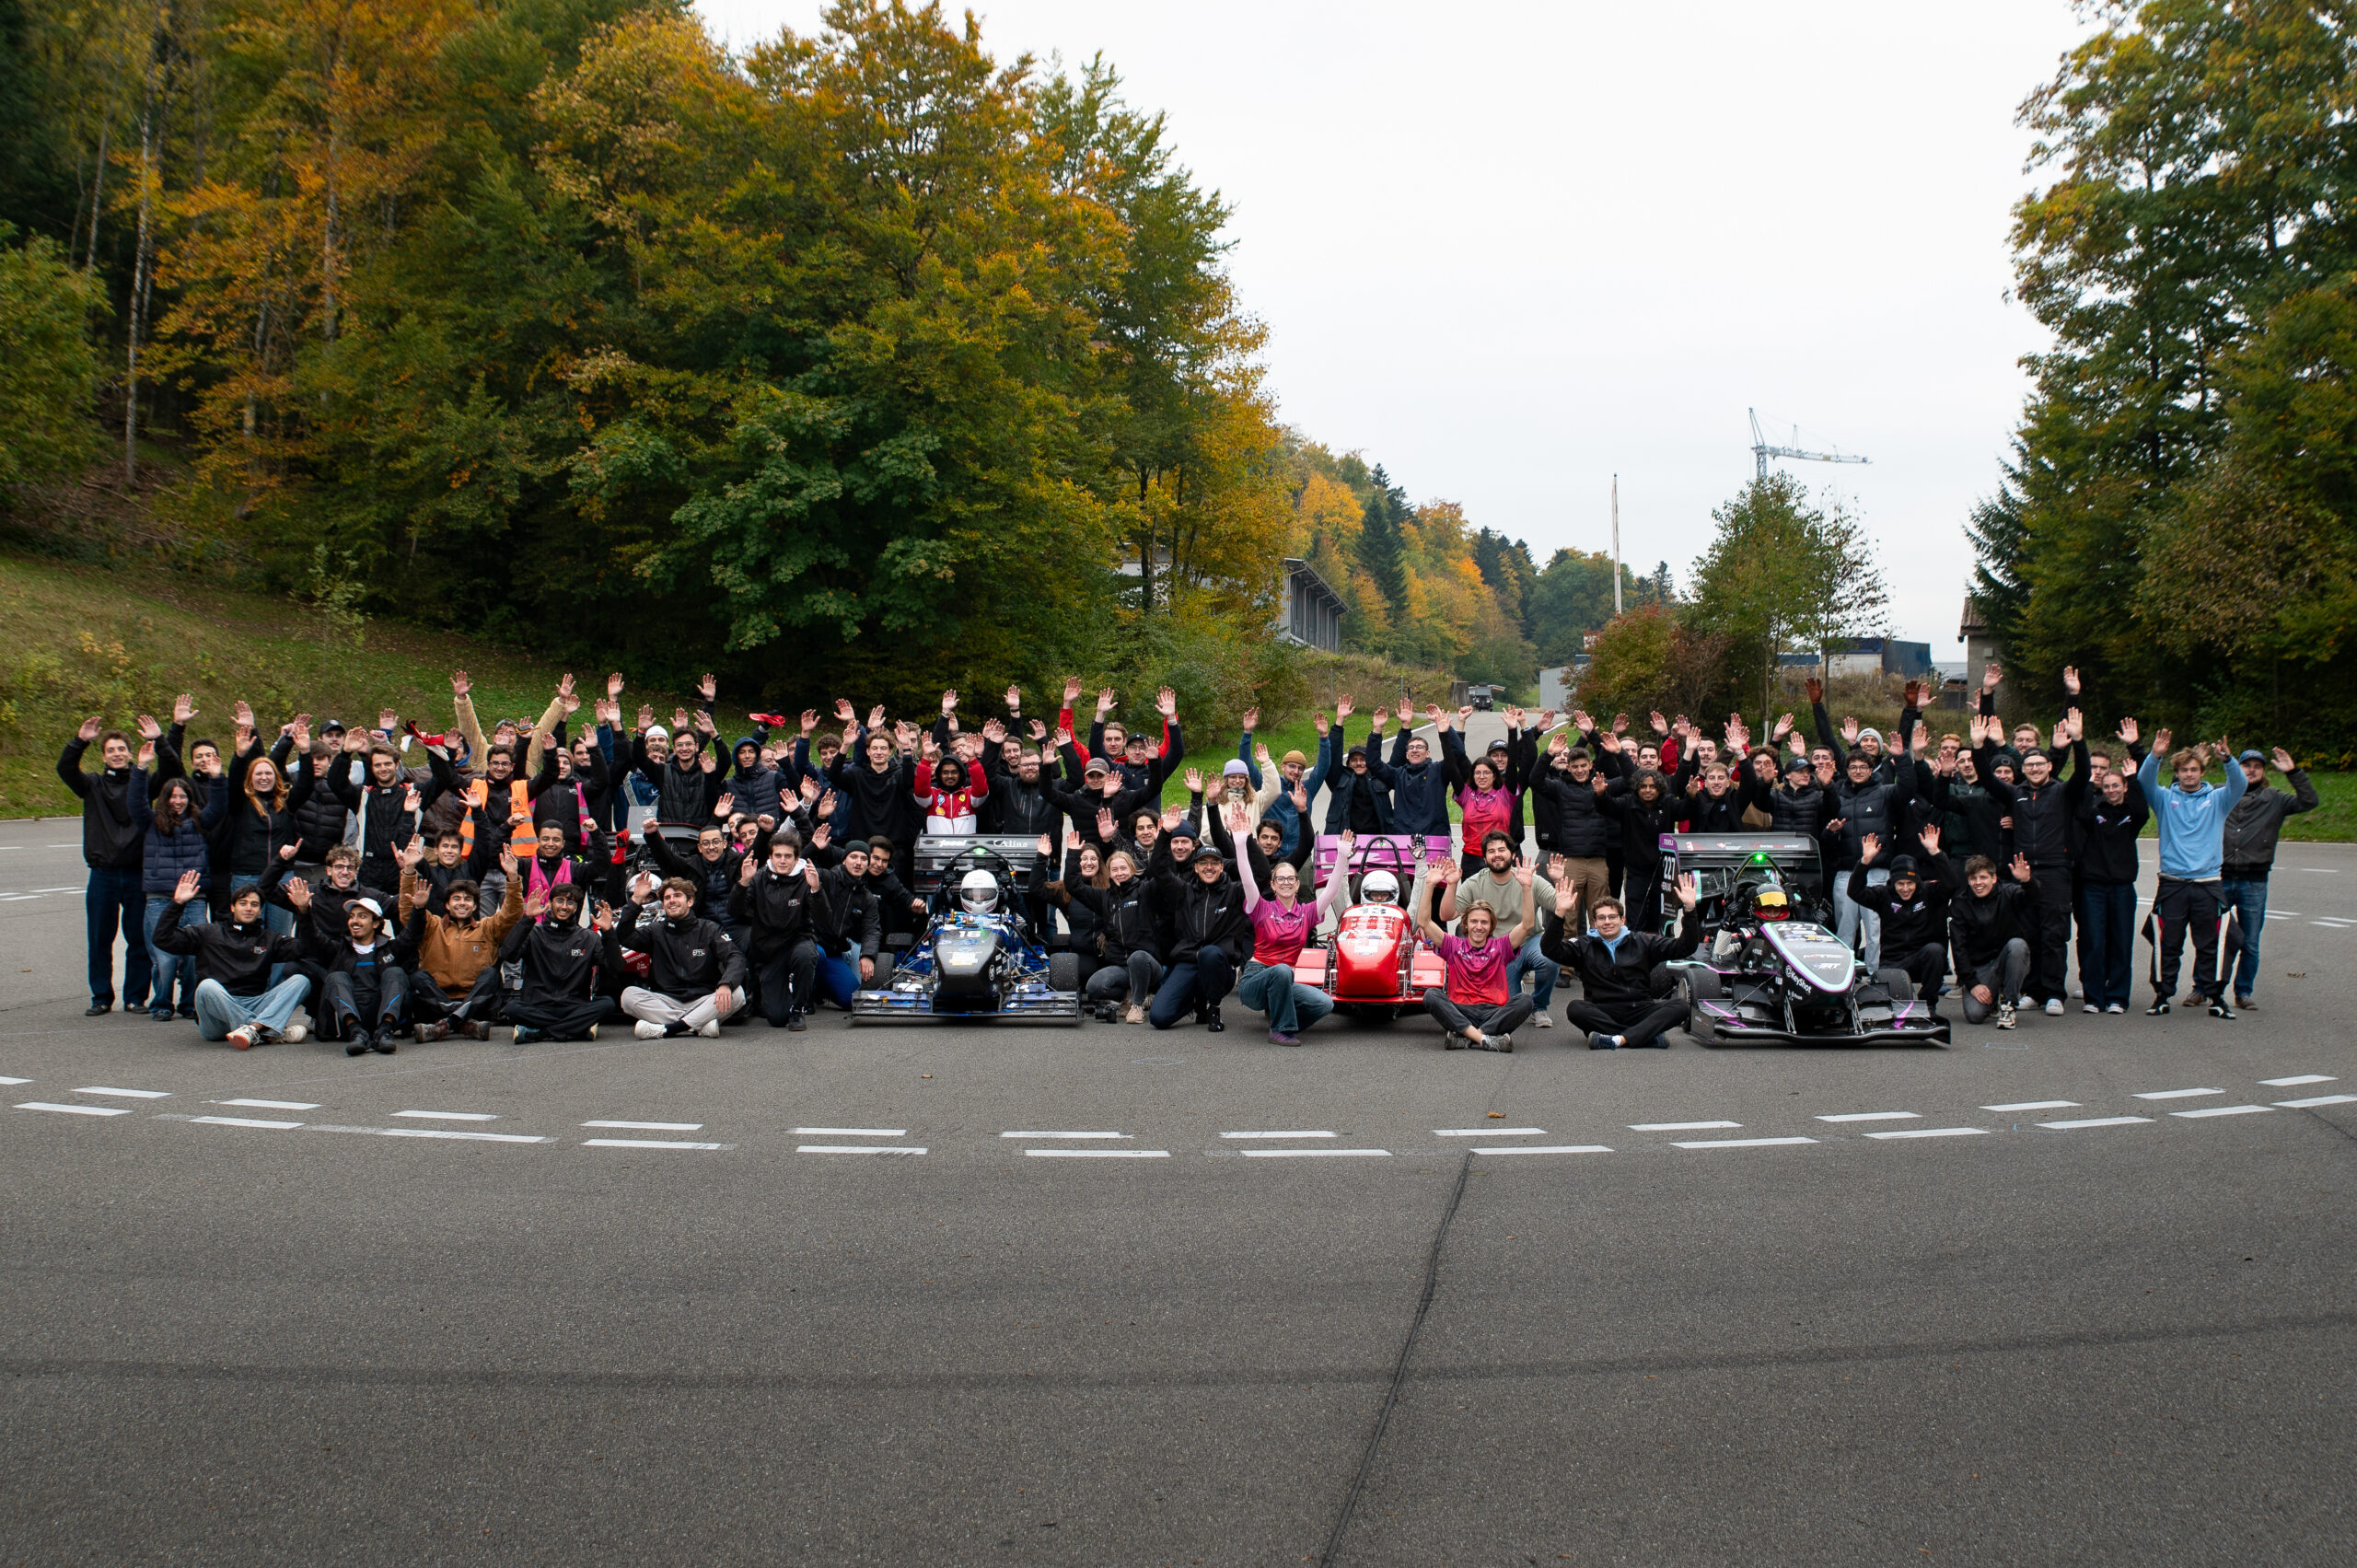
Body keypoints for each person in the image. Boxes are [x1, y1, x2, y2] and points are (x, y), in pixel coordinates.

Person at [2134, 731, 2247, 1016]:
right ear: (2177, 773)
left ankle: (2215, 997)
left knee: (2211, 945)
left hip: (2208, 883)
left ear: (2202, 772)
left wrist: (2228, 760)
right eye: (2184, 770)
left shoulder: (2218, 800)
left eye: (2193, 769)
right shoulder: (2164, 799)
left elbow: (2240, 783)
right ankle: (2162, 996)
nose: (2188, 774)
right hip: (2172, 883)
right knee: (2167, 944)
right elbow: (2144, 781)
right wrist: (2155, 755)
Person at [1226, 809, 1353, 1045]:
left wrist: (1343, 857)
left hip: (1283, 982)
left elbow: (1331, 891)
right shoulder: (1261, 907)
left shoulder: (1307, 913)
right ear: (1273, 885)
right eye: (1280, 879)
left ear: (1297, 885)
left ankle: (1283, 1021)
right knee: (1283, 970)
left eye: (1290, 879)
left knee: (1324, 1003)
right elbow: (1247, 880)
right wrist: (1241, 844)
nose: (1286, 882)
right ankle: (1280, 1031)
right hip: (1255, 980)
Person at [147, 871, 314, 1048]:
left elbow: (307, 948)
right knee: (206, 986)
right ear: (233, 908)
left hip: (254, 1003)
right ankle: (264, 1029)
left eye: (254, 905)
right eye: (243, 903)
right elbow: (162, 939)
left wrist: (303, 912)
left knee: (301, 981)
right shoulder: (208, 933)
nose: (248, 908)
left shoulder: (270, 939)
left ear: (260, 911)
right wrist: (177, 903)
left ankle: (254, 1029)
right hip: (216, 1016)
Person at [1540, 870, 1701, 1050]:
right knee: (1575, 1008)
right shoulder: (1583, 945)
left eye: (1612, 917)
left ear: (1622, 920)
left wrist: (1689, 909)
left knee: (1681, 1006)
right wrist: (1559, 913)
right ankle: (1645, 1037)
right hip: (1603, 1011)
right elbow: (1549, 949)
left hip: (1640, 1009)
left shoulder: (1642, 941)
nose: (1607, 922)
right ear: (1594, 922)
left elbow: (1685, 947)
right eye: (1601, 918)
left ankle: (1617, 1039)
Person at [62, 716, 152, 1016]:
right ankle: (101, 997)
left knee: (139, 938)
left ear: (130, 753)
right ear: (103, 756)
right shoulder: (92, 785)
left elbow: (172, 773)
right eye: (111, 749)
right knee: (100, 938)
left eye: (122, 748)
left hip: (137, 873)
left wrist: (162, 739)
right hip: (103, 874)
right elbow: (65, 770)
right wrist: (79, 742)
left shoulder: (143, 783)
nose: (117, 753)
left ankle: (136, 997)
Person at [2219, 746, 2318, 1011]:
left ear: (2263, 772)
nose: (2251, 770)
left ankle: (2243, 992)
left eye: (2257, 766)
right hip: (2220, 877)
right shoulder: (2221, 794)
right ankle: (2202, 988)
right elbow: (2186, 791)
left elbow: (2309, 802)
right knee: (2212, 938)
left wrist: (2293, 772)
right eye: (2246, 765)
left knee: (2250, 941)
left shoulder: (2274, 798)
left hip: (2254, 881)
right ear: (2237, 768)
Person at [397, 837, 526, 1040]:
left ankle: (445, 1025)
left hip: (475, 1000)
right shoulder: (432, 925)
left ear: (475, 906)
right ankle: (463, 1022)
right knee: (418, 977)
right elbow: (406, 914)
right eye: (456, 899)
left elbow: (511, 914)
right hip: (437, 999)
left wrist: (511, 876)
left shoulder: (487, 927)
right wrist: (409, 870)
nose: (462, 903)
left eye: (468, 899)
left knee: (491, 975)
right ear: (447, 905)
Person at [1439, 830, 1559, 1029]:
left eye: (1502, 850)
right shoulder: (1475, 882)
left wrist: (1558, 881)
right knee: (1508, 1006)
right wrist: (1451, 884)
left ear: (1513, 854)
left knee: (1548, 959)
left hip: (1529, 940)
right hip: (1498, 951)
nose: (1497, 855)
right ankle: (1517, 988)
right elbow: (1446, 915)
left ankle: (1539, 1006)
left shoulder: (1528, 878)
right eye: (1491, 851)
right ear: (1485, 858)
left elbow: (1561, 905)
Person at [1416, 857, 1536, 1051]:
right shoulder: (1453, 945)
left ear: (1491, 926)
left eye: (1484, 922)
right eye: (1474, 922)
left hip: (1494, 1013)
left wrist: (1527, 888)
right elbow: (1424, 922)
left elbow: (1527, 925)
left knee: (1525, 1000)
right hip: (1461, 1011)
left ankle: (1466, 1036)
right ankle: (1486, 1039)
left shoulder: (1502, 946)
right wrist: (1429, 885)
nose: (1479, 927)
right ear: (1465, 924)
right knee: (1431, 995)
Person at [284, 877, 410, 1054]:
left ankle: (384, 1031)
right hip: (346, 1021)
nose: (355, 921)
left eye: (362, 916)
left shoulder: (390, 948)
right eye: (352, 916)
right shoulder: (339, 949)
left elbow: (413, 934)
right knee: (335, 977)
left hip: (380, 1014)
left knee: (396, 973)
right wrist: (303, 911)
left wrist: (419, 908)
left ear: (375, 923)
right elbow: (313, 936)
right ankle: (357, 1033)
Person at [620, 873, 749, 1038]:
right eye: (667, 898)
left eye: (677, 896)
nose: (672, 900)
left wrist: (725, 984)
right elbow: (624, 936)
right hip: (666, 1002)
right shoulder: (655, 931)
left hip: (704, 1000)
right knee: (628, 995)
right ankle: (697, 1025)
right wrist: (636, 899)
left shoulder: (709, 929)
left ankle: (668, 1029)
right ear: (663, 904)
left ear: (690, 901)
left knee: (737, 994)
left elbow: (735, 957)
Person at [728, 834, 830, 1030]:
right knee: (777, 1018)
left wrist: (816, 889)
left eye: (788, 856)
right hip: (769, 951)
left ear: (796, 858)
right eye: (778, 855)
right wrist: (743, 882)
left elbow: (824, 919)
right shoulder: (758, 877)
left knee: (806, 955)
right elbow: (734, 911)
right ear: (771, 857)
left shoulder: (807, 878)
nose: (782, 860)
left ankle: (798, 1008)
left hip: (798, 941)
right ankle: (781, 994)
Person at [497, 883, 621, 1042]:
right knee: (512, 1008)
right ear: (550, 903)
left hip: (574, 1008)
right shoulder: (534, 932)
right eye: (559, 901)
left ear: (576, 907)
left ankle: (540, 1033)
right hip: (537, 1007)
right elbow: (507, 955)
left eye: (570, 902)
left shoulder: (589, 938)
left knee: (607, 1004)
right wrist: (526, 919)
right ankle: (576, 1029)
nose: (564, 906)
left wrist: (608, 932)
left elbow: (616, 968)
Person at [1848, 830, 1956, 1012]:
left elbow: (1952, 884)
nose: (1905, 889)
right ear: (1893, 882)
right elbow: (1855, 892)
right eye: (1900, 884)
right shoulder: (1883, 895)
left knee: (1935, 951)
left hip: (1920, 960)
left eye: (1910, 883)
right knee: (1893, 1007)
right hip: (1892, 962)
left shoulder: (1929, 892)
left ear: (1917, 882)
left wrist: (1936, 853)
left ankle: (1928, 1005)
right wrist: (1865, 862)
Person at [1146, 842, 1248, 1031]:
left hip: (1219, 966)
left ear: (1221, 867)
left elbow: (1260, 875)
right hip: (1189, 961)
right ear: (1196, 867)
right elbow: (1159, 869)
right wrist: (1165, 834)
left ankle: (1213, 1008)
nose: (1209, 867)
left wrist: (1245, 840)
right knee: (1158, 1017)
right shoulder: (1183, 891)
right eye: (1203, 863)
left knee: (1209, 953)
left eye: (1214, 863)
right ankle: (1196, 1002)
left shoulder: (1235, 892)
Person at [2074, 760, 2149, 1015]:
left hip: (2122, 888)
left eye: (2116, 785)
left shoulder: (2132, 815)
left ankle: (2117, 997)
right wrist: (2088, 783)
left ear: (2124, 787)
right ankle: (2094, 997)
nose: (2111, 790)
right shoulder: (2095, 813)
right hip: (2093, 887)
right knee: (2094, 942)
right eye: (2106, 786)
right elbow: (2081, 812)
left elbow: (2143, 811)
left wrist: (2134, 779)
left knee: (2121, 942)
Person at [1055, 847, 1163, 1023]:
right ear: (1109, 874)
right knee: (1094, 987)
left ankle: (1136, 1005)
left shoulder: (1145, 891)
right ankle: (1131, 995)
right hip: (1121, 967)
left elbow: (1162, 873)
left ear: (1132, 870)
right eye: (1115, 870)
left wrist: (1163, 840)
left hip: (1147, 966)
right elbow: (1074, 886)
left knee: (1138, 957)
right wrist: (1073, 853)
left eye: (1123, 868)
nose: (1119, 873)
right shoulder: (1105, 897)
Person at [135, 771, 210, 1021]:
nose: (178, 801)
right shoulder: (151, 821)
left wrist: (218, 778)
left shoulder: (200, 820)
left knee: (193, 956)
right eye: (173, 796)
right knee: (164, 958)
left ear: (190, 799)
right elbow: (135, 803)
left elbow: (220, 806)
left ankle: (189, 1003)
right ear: (165, 798)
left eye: (183, 796)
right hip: (160, 897)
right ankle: (162, 1003)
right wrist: (141, 770)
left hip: (194, 898)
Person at [1948, 853, 2039, 1028]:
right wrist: (1972, 984)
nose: (1978, 883)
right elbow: (1959, 947)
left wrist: (2027, 881)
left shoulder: (2009, 892)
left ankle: (2009, 1006)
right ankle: (1993, 1000)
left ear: (1994, 878)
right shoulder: (1960, 903)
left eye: (1983, 877)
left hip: (2007, 960)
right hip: (1979, 967)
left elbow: (2033, 898)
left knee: (2018, 945)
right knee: (1975, 1015)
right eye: (1973, 878)